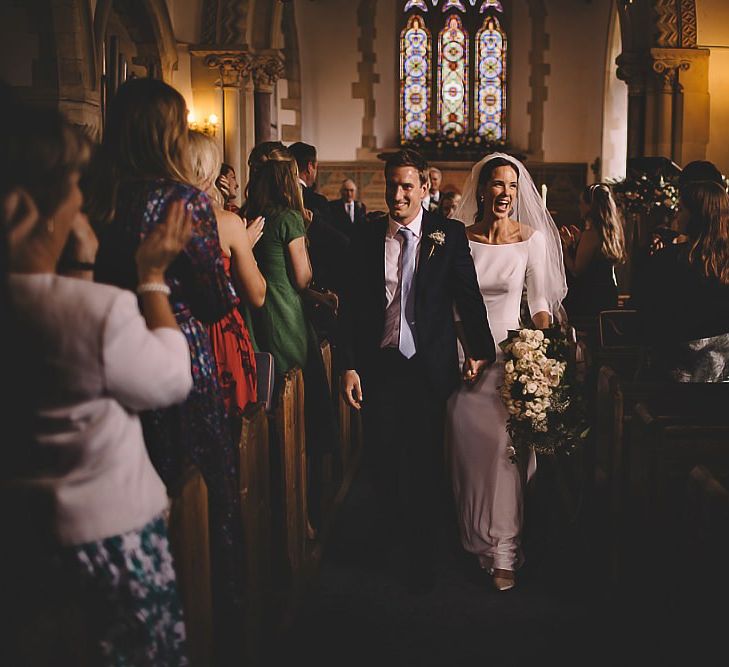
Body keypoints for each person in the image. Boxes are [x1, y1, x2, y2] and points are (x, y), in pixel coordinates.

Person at [1, 102, 193, 665]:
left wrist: (80, 265)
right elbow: (169, 377)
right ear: (33, 208)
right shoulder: (98, 313)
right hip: (108, 540)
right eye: (73, 189)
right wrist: (153, 279)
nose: (83, 201)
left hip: (22, 538)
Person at [89, 77, 244, 664]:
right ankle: (216, 631)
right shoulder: (183, 202)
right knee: (204, 497)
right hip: (177, 358)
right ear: (167, 133)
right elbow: (217, 300)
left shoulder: (96, 195)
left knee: (136, 501)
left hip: (109, 359)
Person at [338, 148, 495, 594]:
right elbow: (350, 306)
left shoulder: (448, 234)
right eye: (392, 185)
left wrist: (480, 349)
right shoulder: (367, 236)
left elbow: (468, 296)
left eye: (407, 186)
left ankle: (423, 556)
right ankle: (386, 539)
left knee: (426, 464)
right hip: (381, 365)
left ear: (425, 188)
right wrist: (349, 365)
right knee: (383, 460)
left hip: (429, 367)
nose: (398, 194)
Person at [448, 153, 567, 592]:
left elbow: (539, 305)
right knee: (469, 459)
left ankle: (505, 552)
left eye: (512, 186)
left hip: (511, 363)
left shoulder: (531, 239)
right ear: (481, 190)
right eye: (497, 185)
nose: (505, 193)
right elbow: (453, 303)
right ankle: (478, 540)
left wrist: (542, 346)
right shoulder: (460, 238)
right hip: (466, 361)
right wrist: (466, 349)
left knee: (506, 457)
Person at [246, 150, 338, 530]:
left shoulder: (252, 218)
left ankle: (279, 512)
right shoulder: (289, 218)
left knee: (272, 408)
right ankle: (309, 512)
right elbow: (301, 279)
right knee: (308, 408)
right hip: (289, 318)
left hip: (262, 318)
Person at [188, 130, 265, 421]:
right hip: (219, 333)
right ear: (210, 171)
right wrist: (246, 246)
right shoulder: (227, 223)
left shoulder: (157, 216)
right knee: (234, 430)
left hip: (174, 333)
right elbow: (256, 294)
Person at [631, 180, 729, 382]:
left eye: (682, 209)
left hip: (675, 380)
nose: (676, 213)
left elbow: (645, 314)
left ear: (697, 216)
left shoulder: (669, 260)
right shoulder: (724, 265)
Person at [560, 183, 626, 319]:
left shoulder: (591, 234)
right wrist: (578, 242)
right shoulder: (612, 232)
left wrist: (566, 247)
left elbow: (576, 270)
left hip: (590, 296)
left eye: (581, 203)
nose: (579, 206)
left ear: (590, 206)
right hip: (608, 292)